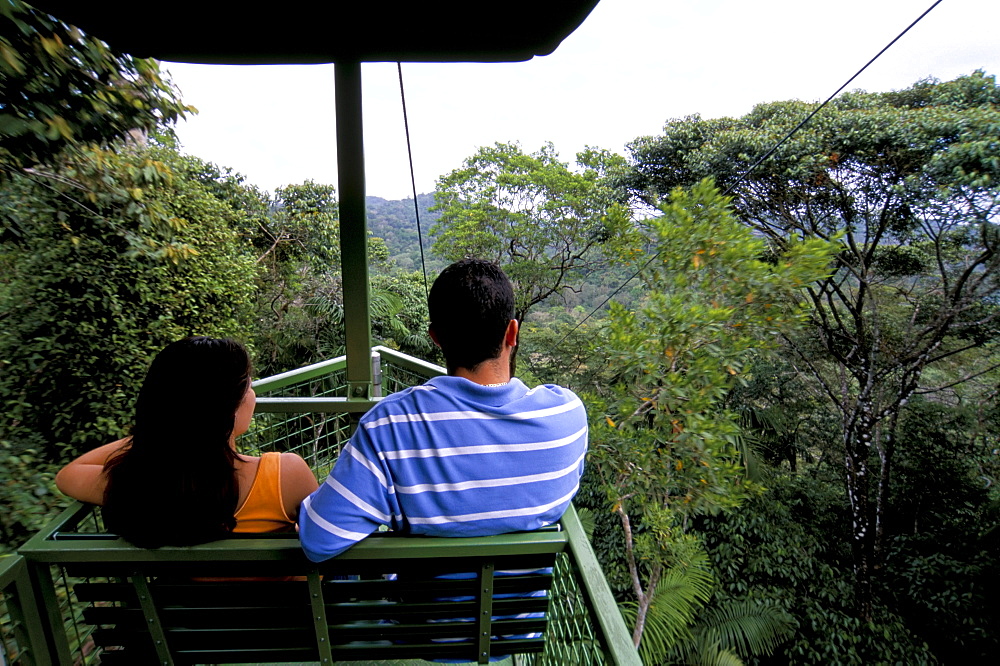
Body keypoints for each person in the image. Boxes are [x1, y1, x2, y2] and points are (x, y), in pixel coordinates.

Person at [299, 259, 588, 562]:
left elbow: (318, 541)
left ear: (435, 337)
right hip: (524, 610)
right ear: (512, 333)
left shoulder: (390, 427)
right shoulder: (567, 416)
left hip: (423, 610)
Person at [55, 336, 318, 548]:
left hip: (175, 614)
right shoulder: (285, 475)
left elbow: (67, 476)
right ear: (229, 409)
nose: (253, 393)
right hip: (284, 612)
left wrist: (159, 428)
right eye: (247, 385)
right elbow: (331, 539)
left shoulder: (134, 483)